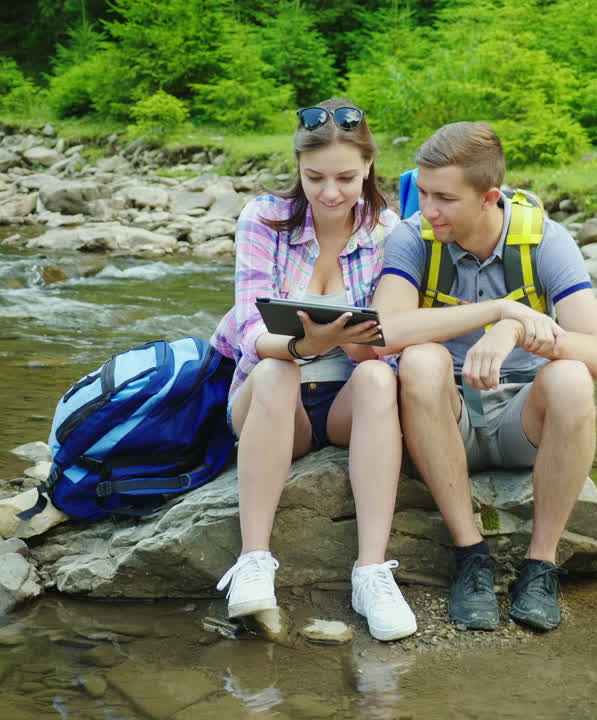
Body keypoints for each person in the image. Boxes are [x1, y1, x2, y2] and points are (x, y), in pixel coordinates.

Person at [373, 122, 597, 631]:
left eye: (444, 197)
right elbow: (382, 333)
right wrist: (499, 313)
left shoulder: (546, 241)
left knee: (573, 378)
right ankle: (471, 555)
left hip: (523, 422)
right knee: (420, 360)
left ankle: (540, 565)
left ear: (489, 198)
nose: (428, 209)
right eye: (422, 192)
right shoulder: (413, 237)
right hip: (448, 419)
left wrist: (518, 333)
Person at [210, 98, 416, 642]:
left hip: (351, 395)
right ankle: (255, 561)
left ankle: (371, 572)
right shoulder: (263, 219)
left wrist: (352, 347)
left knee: (378, 378)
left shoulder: (390, 233)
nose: (330, 193)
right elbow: (248, 330)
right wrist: (305, 346)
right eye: (314, 177)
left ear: (369, 166)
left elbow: (392, 345)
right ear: (297, 168)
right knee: (277, 371)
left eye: (346, 177)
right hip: (271, 398)